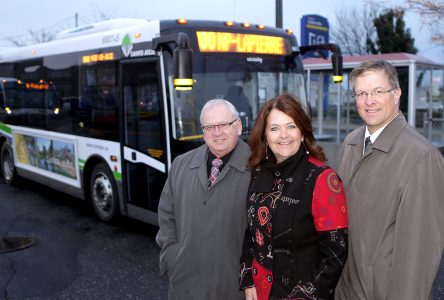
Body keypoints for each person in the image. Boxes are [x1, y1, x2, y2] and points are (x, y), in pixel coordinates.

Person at [335, 59, 444, 300]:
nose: (369, 101)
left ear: (397, 94)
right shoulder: (351, 143)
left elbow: (418, 257)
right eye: (361, 93)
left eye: (378, 91)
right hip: (344, 289)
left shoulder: (421, 157)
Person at [239, 94, 348, 300]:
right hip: (259, 292)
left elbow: (335, 255)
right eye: (274, 128)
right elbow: (253, 232)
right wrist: (247, 278)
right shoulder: (258, 172)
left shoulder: (323, 179)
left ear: (302, 132)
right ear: (264, 136)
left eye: (291, 126)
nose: (283, 135)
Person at [156, 99, 250, 300]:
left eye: (224, 124)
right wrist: (173, 258)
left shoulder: (258, 169)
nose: (217, 132)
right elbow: (166, 215)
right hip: (185, 287)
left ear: (238, 126)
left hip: (233, 289)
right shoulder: (181, 164)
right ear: (203, 131)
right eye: (210, 127)